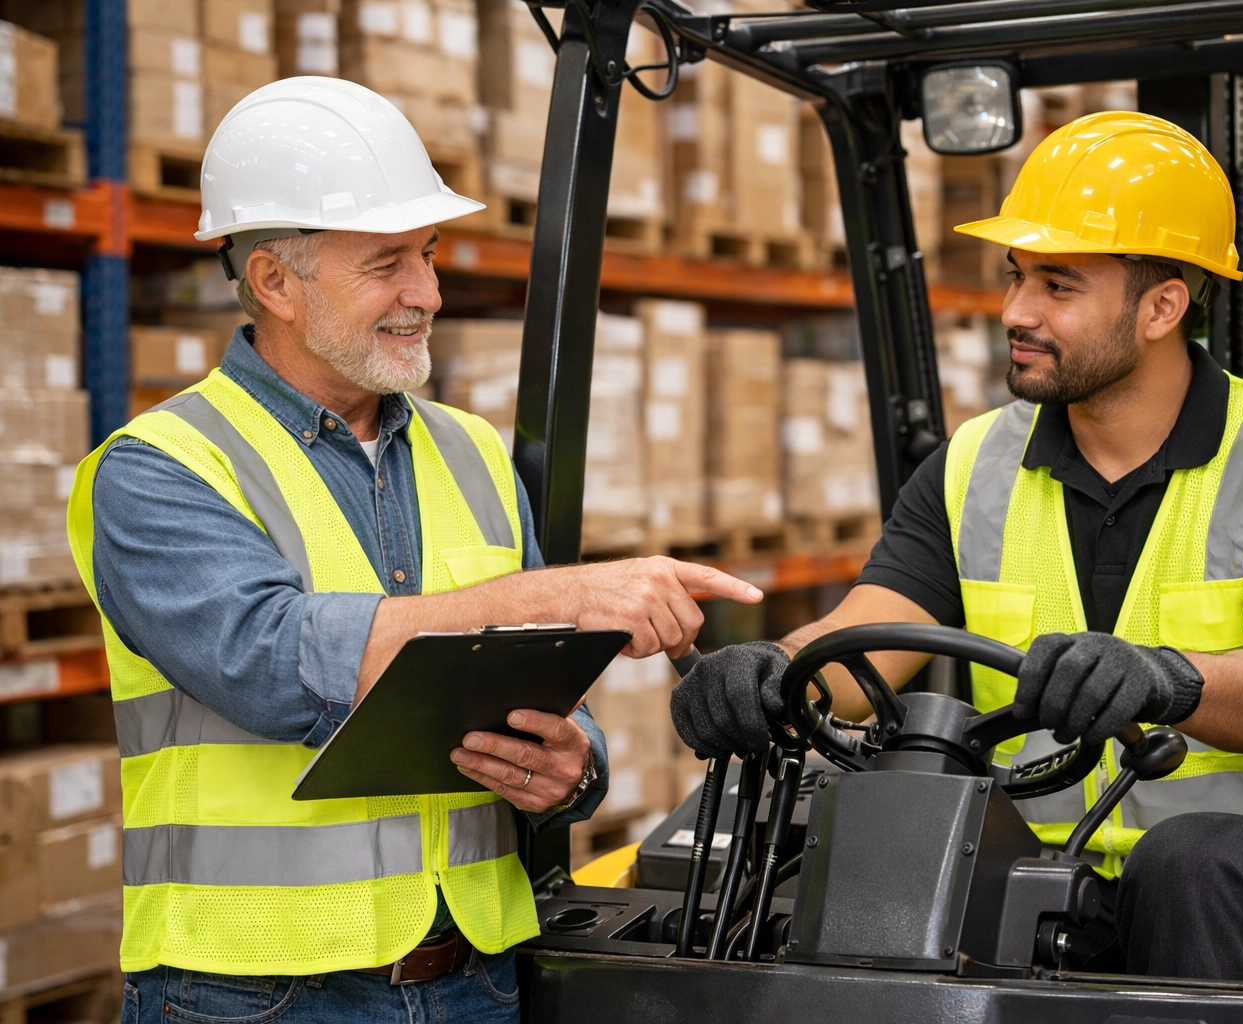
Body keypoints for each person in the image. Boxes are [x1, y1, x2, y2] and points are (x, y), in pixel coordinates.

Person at [670, 110, 1243, 981]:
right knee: (859, 863)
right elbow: (863, 646)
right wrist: (770, 669)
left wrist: (1166, 677)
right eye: (1017, 277)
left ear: (1162, 306)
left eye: (1057, 286)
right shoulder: (973, 464)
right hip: (1057, 877)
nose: (1015, 312)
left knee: (1192, 864)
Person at [67, 78, 760, 1024]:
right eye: (387, 263)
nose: (426, 294)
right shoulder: (159, 470)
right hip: (252, 993)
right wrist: (565, 593)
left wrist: (572, 767)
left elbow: (546, 689)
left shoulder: (471, 453)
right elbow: (273, 660)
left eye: (426, 256)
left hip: (474, 977)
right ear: (274, 280)